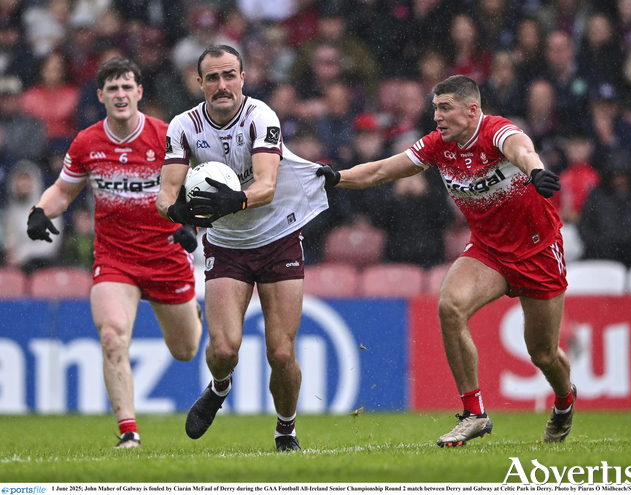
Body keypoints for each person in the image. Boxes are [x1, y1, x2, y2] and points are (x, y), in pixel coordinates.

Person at [317, 75, 576, 446]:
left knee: (543, 353)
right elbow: (379, 170)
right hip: (488, 251)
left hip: (537, 251)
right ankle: (474, 414)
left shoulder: (496, 131)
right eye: (435, 107)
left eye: (445, 108)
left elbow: (521, 149)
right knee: (450, 305)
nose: (436, 116)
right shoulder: (439, 145)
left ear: (472, 111)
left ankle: (565, 401)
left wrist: (535, 171)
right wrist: (335, 177)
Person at [155, 45, 328, 452]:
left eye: (229, 75)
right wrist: (177, 213)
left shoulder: (261, 116)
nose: (221, 85)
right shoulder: (182, 126)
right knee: (223, 349)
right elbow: (165, 193)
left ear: (243, 78)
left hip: (278, 235)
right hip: (227, 244)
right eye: (212, 78)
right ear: (199, 83)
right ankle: (219, 387)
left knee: (282, 353)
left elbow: (266, 184)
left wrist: (237, 200)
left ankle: (285, 430)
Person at [25, 58, 203, 449]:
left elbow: (195, 188)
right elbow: (64, 190)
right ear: (102, 95)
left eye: (127, 87)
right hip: (114, 257)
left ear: (139, 92)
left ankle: (192, 311)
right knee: (111, 337)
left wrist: (190, 224)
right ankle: (128, 433)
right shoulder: (87, 142)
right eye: (113, 88)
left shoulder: (167, 136)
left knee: (186, 350)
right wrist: (40, 210)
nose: (121, 95)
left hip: (166, 254)